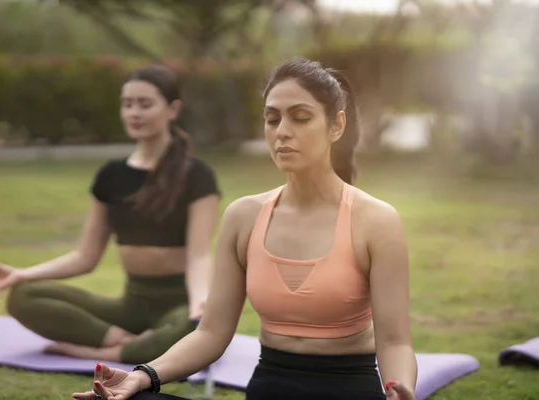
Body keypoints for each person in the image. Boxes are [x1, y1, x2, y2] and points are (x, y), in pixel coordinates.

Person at [72, 57, 417, 400]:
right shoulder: (244, 216)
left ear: (336, 126)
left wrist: (400, 391)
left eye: (300, 117)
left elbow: (395, 341)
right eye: (272, 119)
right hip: (270, 386)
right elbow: (210, 334)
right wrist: (142, 376)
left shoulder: (375, 220)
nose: (282, 131)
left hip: (347, 388)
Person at [0, 64, 221, 365]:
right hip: (131, 305)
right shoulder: (111, 175)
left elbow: (199, 256)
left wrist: (199, 304)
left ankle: (99, 353)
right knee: (23, 296)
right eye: (127, 104)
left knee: (195, 330)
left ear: (172, 109)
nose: (134, 113)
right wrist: (23, 274)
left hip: (179, 304)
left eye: (145, 104)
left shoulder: (197, 176)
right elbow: (85, 257)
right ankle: (122, 341)